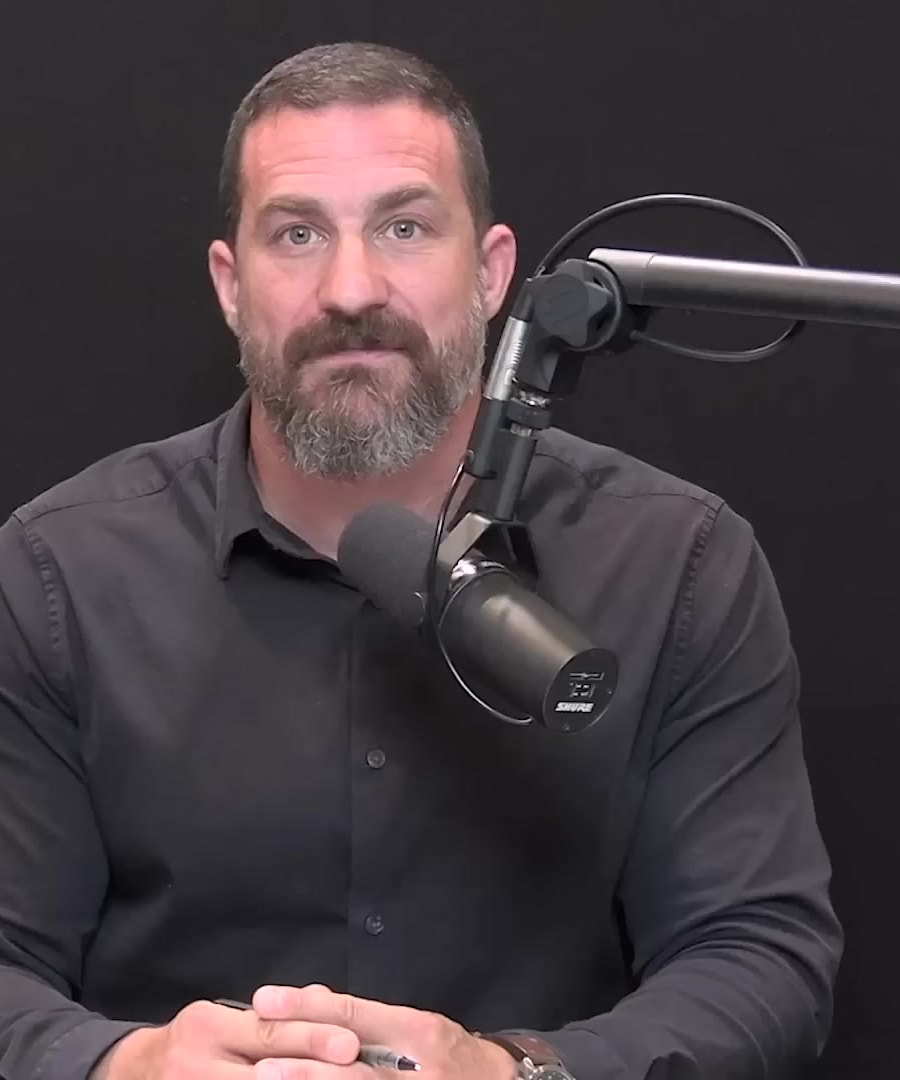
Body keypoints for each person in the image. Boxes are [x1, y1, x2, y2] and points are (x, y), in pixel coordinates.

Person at [0, 40, 841, 1080]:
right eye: (297, 233)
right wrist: (130, 1065)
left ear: (492, 273)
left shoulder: (680, 563)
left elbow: (759, 958)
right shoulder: (56, 574)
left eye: (404, 227)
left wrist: (511, 1072)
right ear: (230, 285)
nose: (351, 288)